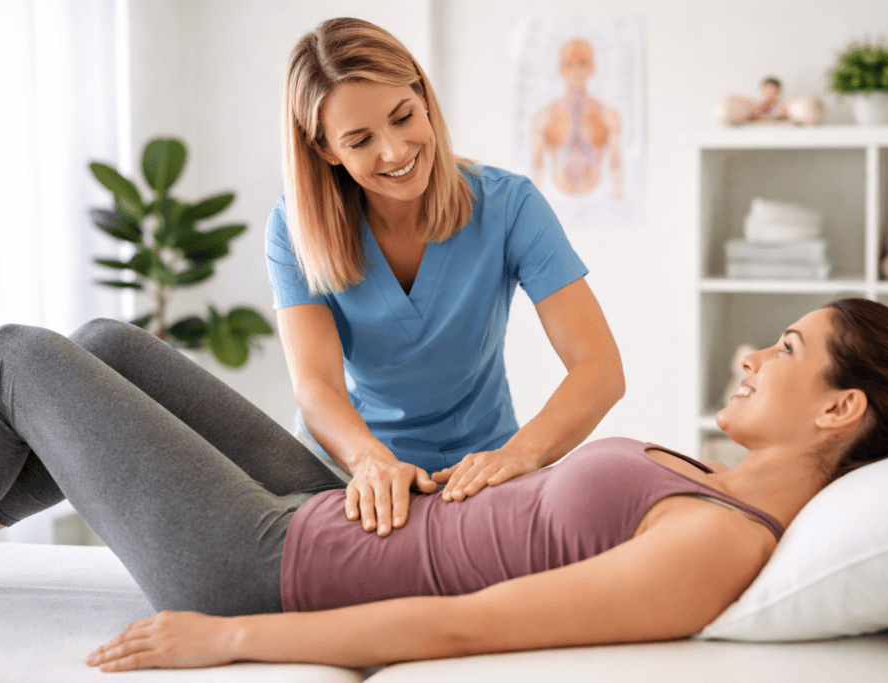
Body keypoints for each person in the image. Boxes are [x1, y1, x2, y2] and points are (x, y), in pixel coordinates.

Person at [0, 299, 888, 671]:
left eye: (790, 345)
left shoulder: (720, 539)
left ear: (837, 409)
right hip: (343, 508)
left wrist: (226, 634)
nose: (758, 355)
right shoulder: (705, 478)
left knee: (16, 355)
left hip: (266, 565)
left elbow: (468, 625)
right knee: (102, 343)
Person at [266, 18, 624, 540]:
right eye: (361, 140)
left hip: (478, 473)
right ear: (324, 149)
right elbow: (316, 385)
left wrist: (520, 454)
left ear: (423, 96)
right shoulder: (294, 227)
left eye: (403, 116)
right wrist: (370, 463)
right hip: (347, 472)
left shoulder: (509, 206)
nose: (395, 151)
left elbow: (599, 368)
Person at [532, 37, 623, 199]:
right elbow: (537, 164)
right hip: (559, 196)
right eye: (570, 64)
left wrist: (619, 193)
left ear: (592, 67)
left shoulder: (608, 115)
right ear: (561, 68)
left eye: (582, 64)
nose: (576, 71)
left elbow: (616, 162)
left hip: (597, 198)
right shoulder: (545, 116)